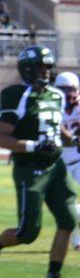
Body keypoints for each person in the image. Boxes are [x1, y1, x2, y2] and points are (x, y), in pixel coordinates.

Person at [0, 46, 77, 278]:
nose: (46, 72)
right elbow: (0, 137)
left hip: (56, 168)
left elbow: (56, 133)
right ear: (27, 70)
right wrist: (34, 145)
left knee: (69, 220)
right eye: (40, 68)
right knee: (27, 233)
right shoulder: (16, 95)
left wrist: (74, 140)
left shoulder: (55, 95)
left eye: (48, 67)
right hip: (30, 169)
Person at [58, 72, 80, 250]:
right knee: (67, 204)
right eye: (63, 89)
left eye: (71, 89)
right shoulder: (52, 108)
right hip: (59, 164)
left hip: (79, 160)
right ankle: (76, 239)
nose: (68, 93)